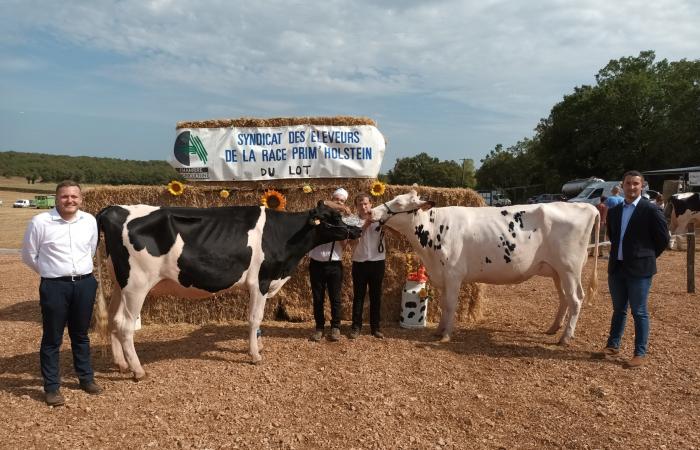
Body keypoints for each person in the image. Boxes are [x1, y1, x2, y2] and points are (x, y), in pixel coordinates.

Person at [21, 180, 103, 406]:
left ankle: (86, 379)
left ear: (81, 199)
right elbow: (29, 254)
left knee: (81, 335)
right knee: (52, 338)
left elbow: (91, 247)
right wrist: (50, 273)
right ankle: (52, 388)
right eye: (65, 196)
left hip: (85, 284)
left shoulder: (90, 221)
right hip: (55, 286)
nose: (70, 200)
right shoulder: (40, 222)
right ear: (56, 198)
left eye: (74, 196)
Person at [598, 170, 669, 369]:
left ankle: (639, 352)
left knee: (639, 311)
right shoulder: (615, 210)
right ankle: (613, 345)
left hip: (640, 269)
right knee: (619, 309)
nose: (631, 187)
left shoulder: (651, 210)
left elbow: (663, 239)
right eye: (628, 183)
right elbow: (613, 235)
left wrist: (646, 256)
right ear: (622, 186)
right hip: (617, 267)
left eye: (635, 184)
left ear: (642, 186)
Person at [308, 188, 349, 342]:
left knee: (335, 298)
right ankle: (319, 328)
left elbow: (344, 244)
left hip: (334, 265)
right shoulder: (319, 214)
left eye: (342, 201)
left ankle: (336, 327)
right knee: (318, 298)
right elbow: (322, 204)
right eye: (336, 199)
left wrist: (340, 227)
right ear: (332, 199)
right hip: (316, 264)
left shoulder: (343, 220)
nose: (339, 202)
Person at [349, 194, 386, 339]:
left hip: (378, 261)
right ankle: (356, 327)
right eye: (359, 204)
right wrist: (366, 224)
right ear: (356, 206)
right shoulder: (352, 220)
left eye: (365, 203)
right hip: (359, 262)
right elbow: (351, 241)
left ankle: (375, 327)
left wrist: (386, 225)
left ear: (371, 204)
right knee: (358, 296)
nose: (363, 207)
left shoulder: (381, 218)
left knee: (376, 296)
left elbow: (397, 234)